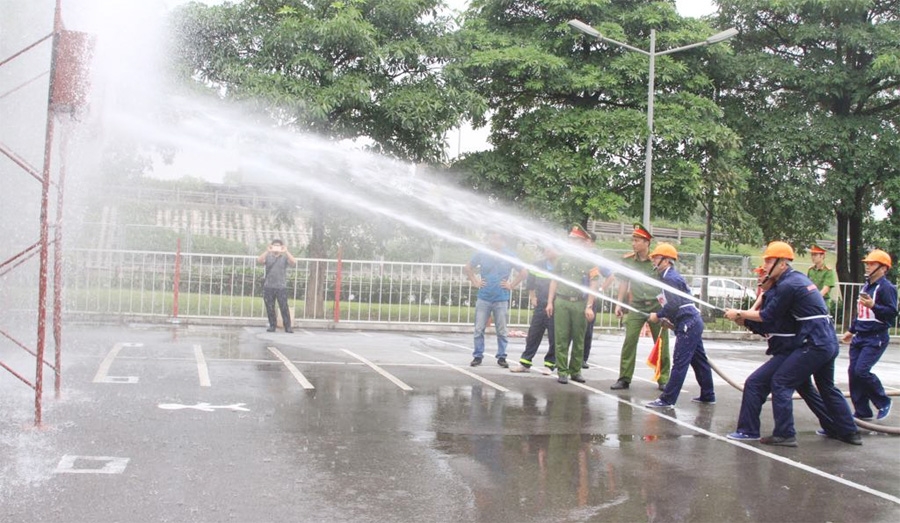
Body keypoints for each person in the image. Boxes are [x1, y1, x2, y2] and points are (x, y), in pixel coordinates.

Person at [724, 241, 860, 447]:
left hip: (814, 341)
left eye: (769, 261)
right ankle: (848, 431)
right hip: (826, 339)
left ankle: (785, 433)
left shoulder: (787, 285)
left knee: (781, 381)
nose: (765, 268)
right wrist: (748, 319)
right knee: (826, 387)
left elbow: (770, 316)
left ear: (783, 263)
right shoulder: (796, 280)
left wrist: (741, 314)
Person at [644, 243, 715, 408]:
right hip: (690, 322)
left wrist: (658, 315)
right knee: (699, 361)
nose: (653, 260)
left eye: (656, 257)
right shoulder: (668, 277)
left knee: (680, 362)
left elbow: (674, 304)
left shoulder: (670, 278)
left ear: (667, 260)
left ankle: (667, 399)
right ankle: (708, 394)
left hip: (688, 323)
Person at [610, 224, 670, 391]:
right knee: (629, 341)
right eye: (633, 240)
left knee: (661, 343)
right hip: (636, 306)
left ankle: (663, 379)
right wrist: (619, 304)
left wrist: (668, 308)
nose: (633, 244)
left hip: (657, 307)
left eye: (636, 241)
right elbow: (624, 282)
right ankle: (624, 378)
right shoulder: (628, 260)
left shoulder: (657, 261)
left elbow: (667, 283)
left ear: (646, 242)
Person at [841, 249, 897, 421]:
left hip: (876, 336)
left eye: (872, 264)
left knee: (862, 371)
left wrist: (874, 306)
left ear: (883, 268)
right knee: (853, 373)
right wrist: (852, 330)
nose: (867, 266)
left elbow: (891, 313)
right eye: (867, 263)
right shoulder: (866, 286)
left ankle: (883, 401)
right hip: (861, 336)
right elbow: (861, 313)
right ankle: (862, 410)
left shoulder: (886, 288)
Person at [546, 225, 600, 384]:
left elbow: (594, 284)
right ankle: (562, 371)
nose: (571, 242)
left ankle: (575, 370)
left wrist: (589, 305)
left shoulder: (591, 261)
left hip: (580, 303)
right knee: (561, 337)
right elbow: (554, 280)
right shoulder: (562, 258)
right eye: (570, 239)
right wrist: (550, 302)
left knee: (579, 338)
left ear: (582, 242)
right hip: (562, 301)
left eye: (574, 240)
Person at [465, 231, 527, 368]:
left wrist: (511, 285)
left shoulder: (509, 255)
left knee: (502, 329)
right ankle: (477, 356)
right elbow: (468, 267)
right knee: (479, 328)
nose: (493, 241)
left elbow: (523, 272)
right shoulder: (482, 253)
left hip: (501, 298)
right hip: (484, 297)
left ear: (503, 241)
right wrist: (475, 282)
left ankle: (501, 356)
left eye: (497, 239)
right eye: (492, 238)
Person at [511, 245, 558, 373]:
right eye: (546, 249)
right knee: (533, 334)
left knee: (554, 337)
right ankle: (525, 363)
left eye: (551, 249)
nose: (548, 251)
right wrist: (532, 297)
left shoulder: (561, 266)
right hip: (540, 304)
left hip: (556, 306)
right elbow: (530, 282)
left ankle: (550, 364)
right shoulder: (537, 265)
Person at [257, 239, 297, 333]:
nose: (276, 247)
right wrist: (268, 251)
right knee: (270, 307)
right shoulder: (268, 257)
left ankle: (288, 326)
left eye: (278, 246)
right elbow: (259, 260)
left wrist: (286, 251)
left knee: (284, 307)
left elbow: (293, 262)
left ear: (281, 247)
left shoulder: (284, 258)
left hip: (281, 286)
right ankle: (272, 325)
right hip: (269, 286)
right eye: (274, 245)